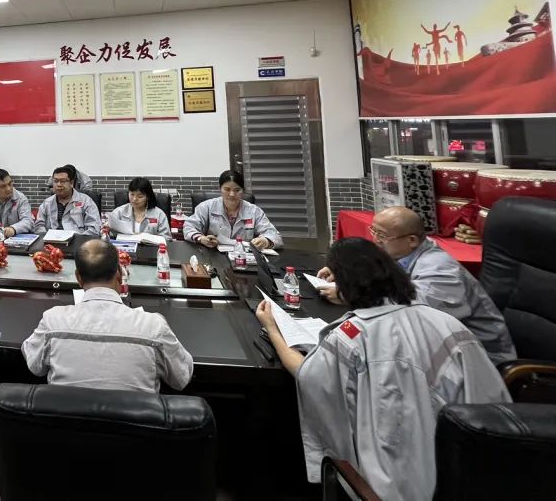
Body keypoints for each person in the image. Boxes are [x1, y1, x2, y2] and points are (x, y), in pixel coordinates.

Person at [256, 237, 510, 500]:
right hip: (479, 472)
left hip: (392, 485)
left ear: (345, 287)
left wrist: (272, 328)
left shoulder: (352, 334)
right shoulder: (451, 325)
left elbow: (307, 374)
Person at [317, 206, 516, 366]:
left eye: (382, 235)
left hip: (479, 359)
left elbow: (412, 311)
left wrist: (350, 294)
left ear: (411, 240)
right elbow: (381, 276)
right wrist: (345, 274)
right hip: (437, 347)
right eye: (373, 231)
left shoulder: (440, 269)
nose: (375, 240)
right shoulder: (403, 251)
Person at [22, 239, 192, 392]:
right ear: (119, 274)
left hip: (68, 417)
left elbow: (35, 366)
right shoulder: (154, 327)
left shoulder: (53, 321)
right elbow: (181, 377)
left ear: (78, 278)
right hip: (134, 417)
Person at [183, 170, 282, 250]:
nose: (232, 194)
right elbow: (189, 227)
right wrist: (201, 238)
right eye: (227, 189)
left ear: (243, 190)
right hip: (212, 254)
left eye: (237, 190)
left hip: (244, 256)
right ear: (220, 189)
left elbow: (275, 236)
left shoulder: (254, 211)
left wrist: (265, 241)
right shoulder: (207, 207)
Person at [34, 166, 100, 235]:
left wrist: (80, 239)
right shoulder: (47, 203)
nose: (59, 184)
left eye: (63, 181)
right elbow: (39, 225)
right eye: (56, 181)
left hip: (78, 239)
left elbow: (94, 228)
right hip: (51, 240)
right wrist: (45, 237)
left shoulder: (86, 201)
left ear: (71, 183)